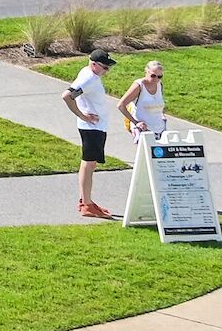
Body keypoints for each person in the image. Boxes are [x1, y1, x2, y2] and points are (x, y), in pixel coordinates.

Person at [63, 48, 118, 219]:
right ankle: (86, 205)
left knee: (90, 164)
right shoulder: (88, 79)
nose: (107, 71)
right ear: (93, 64)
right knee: (88, 164)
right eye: (104, 67)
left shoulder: (89, 74)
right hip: (91, 128)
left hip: (96, 127)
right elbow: (67, 96)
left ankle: (86, 200)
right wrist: (82, 115)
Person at [119, 60, 169, 142]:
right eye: (153, 75)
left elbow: (158, 103)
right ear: (146, 71)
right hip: (143, 130)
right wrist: (136, 122)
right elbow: (121, 105)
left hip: (160, 128)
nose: (156, 79)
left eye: (159, 76)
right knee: (145, 154)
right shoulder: (139, 85)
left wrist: (162, 114)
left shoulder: (159, 84)